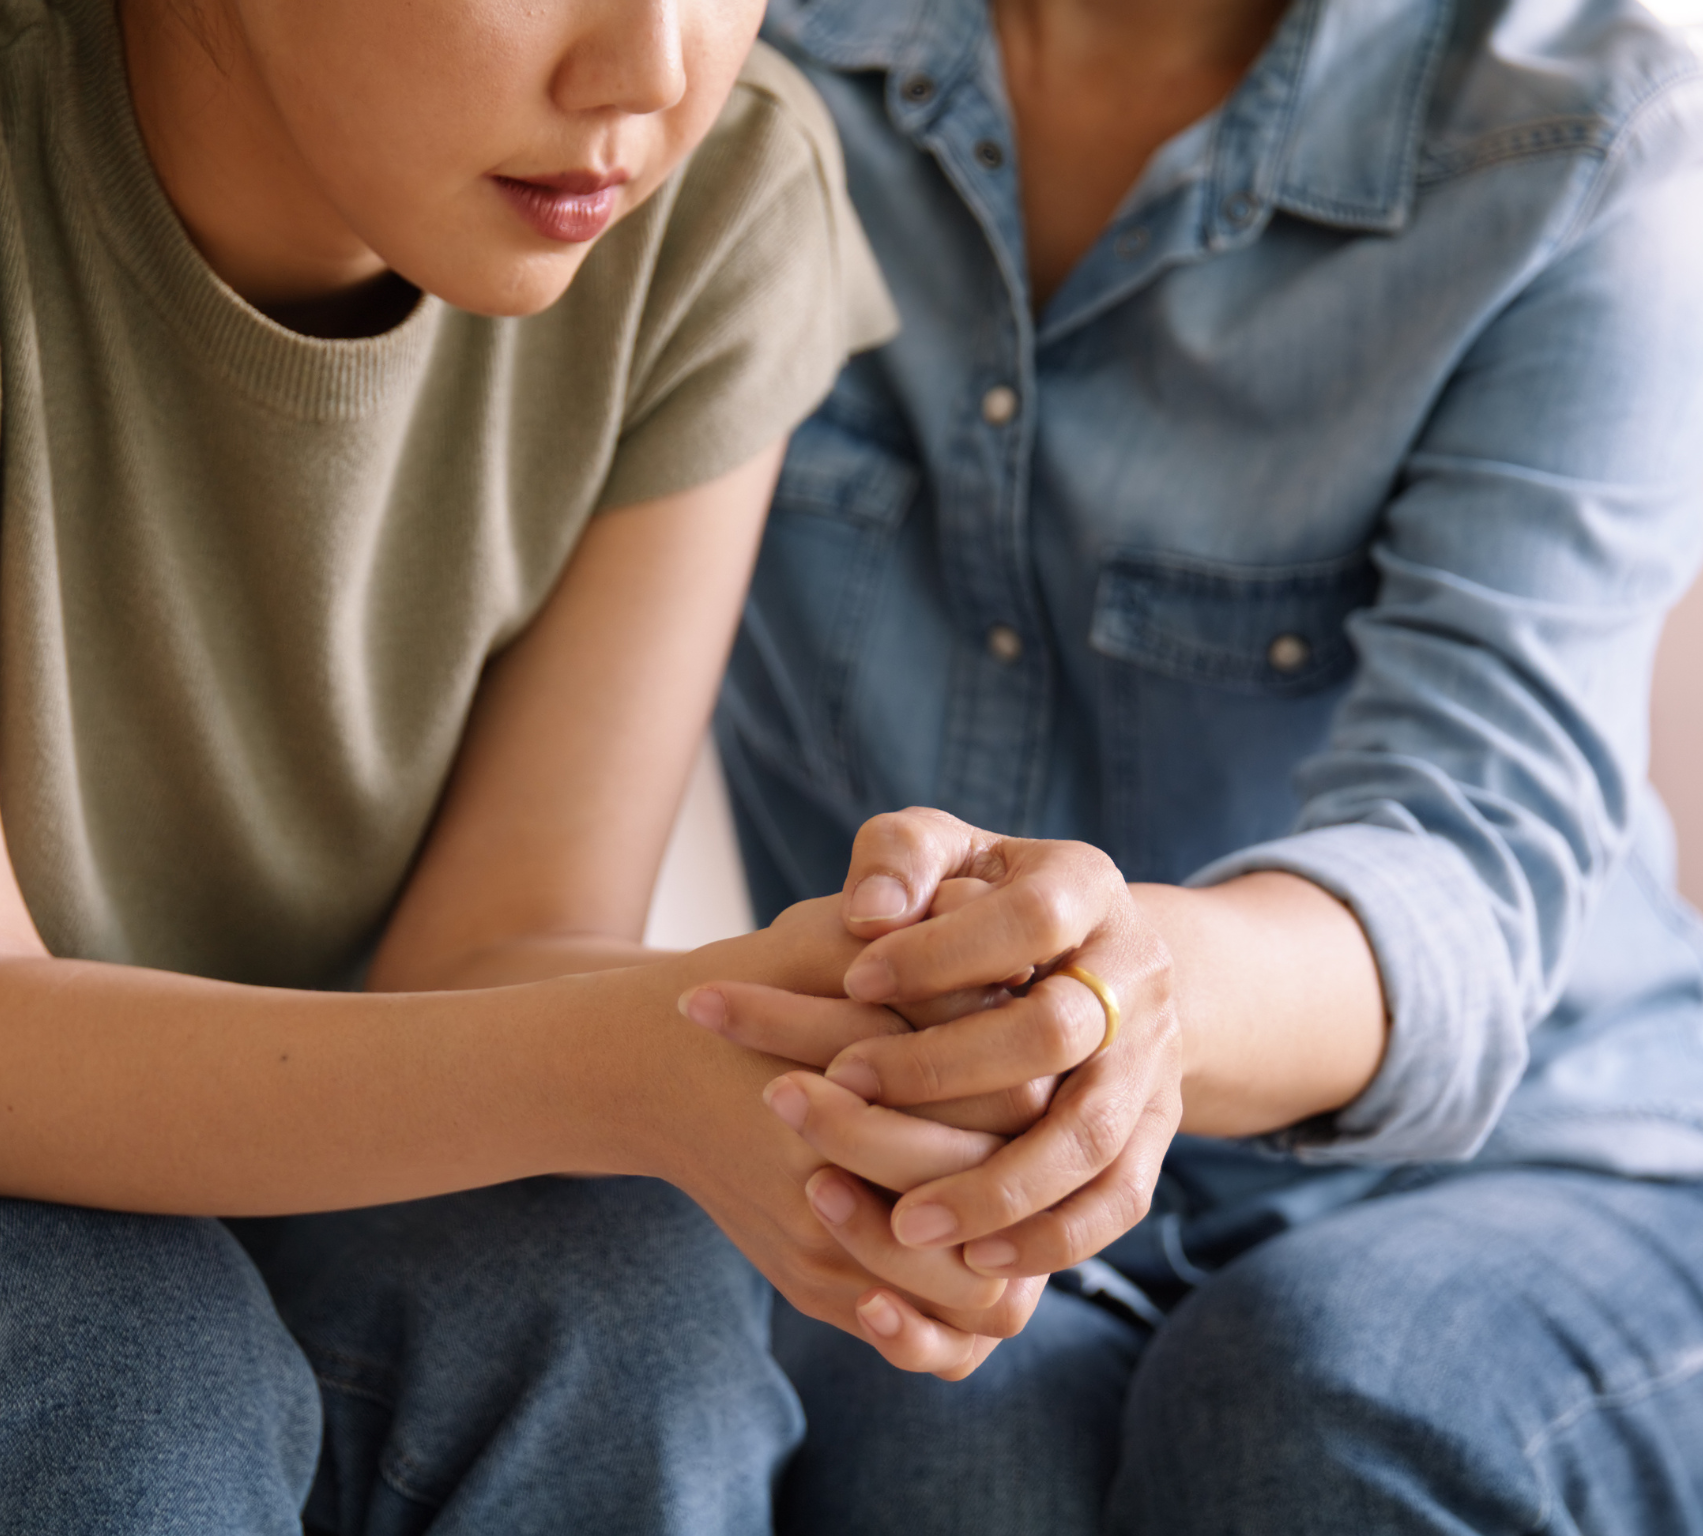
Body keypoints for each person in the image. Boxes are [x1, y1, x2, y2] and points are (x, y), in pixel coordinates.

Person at [0, 0, 1055, 1531]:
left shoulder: (717, 188)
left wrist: (831, 1033)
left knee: (619, 1303)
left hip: (271, 1154)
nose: (652, 69)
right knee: (92, 1360)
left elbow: (495, 946)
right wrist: (628, 1065)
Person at [691, 0, 1703, 1528]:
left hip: (1539, 1158)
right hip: (949, 1172)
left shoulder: (1583, 136)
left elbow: (1472, 856)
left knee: (1321, 1400)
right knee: (943, 1459)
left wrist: (1124, 991)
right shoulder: (726, 57)